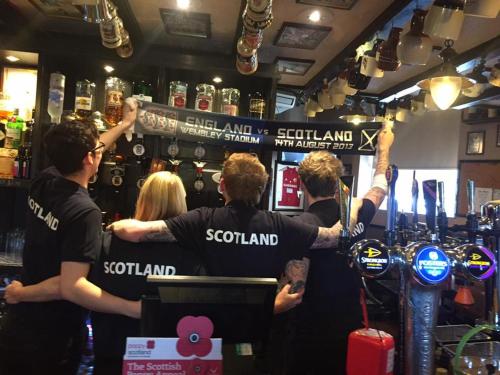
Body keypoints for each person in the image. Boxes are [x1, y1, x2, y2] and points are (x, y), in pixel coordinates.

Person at [109, 152, 362, 315]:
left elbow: (135, 231)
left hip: (206, 329)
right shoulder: (280, 225)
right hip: (258, 334)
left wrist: (115, 227)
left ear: (222, 186)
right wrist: (353, 204)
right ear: (262, 190)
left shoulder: (203, 219)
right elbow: (334, 236)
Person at [0, 99, 141, 375]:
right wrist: (132, 308)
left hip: (17, 324)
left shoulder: (45, 179)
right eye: (97, 150)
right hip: (52, 336)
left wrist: (124, 125)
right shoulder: (85, 212)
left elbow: (89, 146)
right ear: (89, 158)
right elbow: (71, 286)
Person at [286, 122, 394, 375]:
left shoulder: (300, 226)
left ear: (302, 183)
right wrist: (384, 149)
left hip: (310, 330)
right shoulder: (357, 212)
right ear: (337, 184)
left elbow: (294, 292)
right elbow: (380, 187)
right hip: (349, 322)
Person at [91, 171, 205, 374]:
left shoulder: (108, 240)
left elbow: (87, 289)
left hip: (110, 352)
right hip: (167, 359)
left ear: (142, 199)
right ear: (181, 202)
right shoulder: (191, 252)